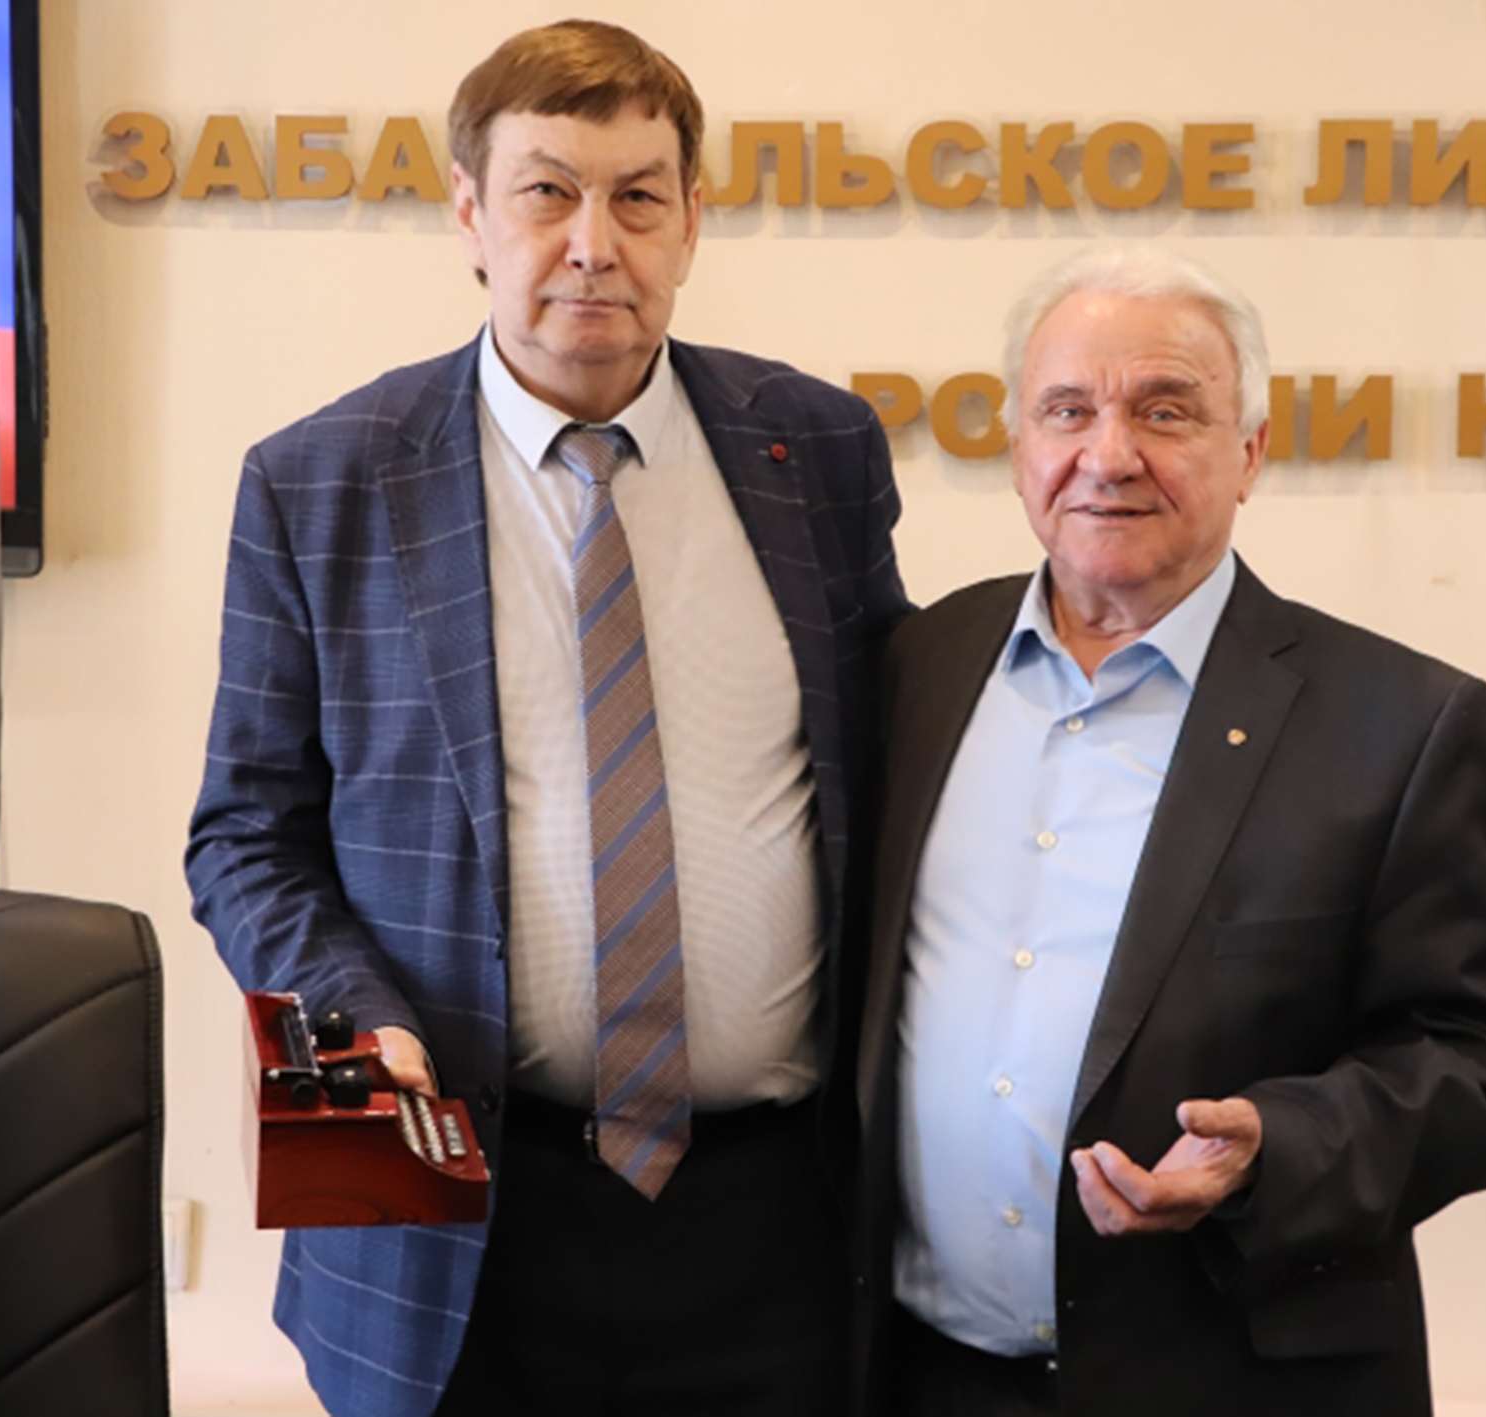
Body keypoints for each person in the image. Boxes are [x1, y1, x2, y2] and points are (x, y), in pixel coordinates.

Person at [186, 21, 906, 1417]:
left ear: (692, 220)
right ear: (469, 212)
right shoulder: (323, 481)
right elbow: (245, 836)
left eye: (638, 196)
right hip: (456, 1215)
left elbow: (888, 768)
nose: (594, 243)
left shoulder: (815, 449)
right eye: (547, 192)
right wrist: (356, 1015)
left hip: (779, 1220)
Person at [853, 246, 1486, 1416]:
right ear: (1019, 447)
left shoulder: (1399, 723)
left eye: (1165, 411)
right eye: (1067, 411)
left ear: (1251, 453)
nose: (1109, 453)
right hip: (926, 1376)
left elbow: (1482, 1064)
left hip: (1231, 1377)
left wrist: (1276, 1143)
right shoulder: (920, 665)